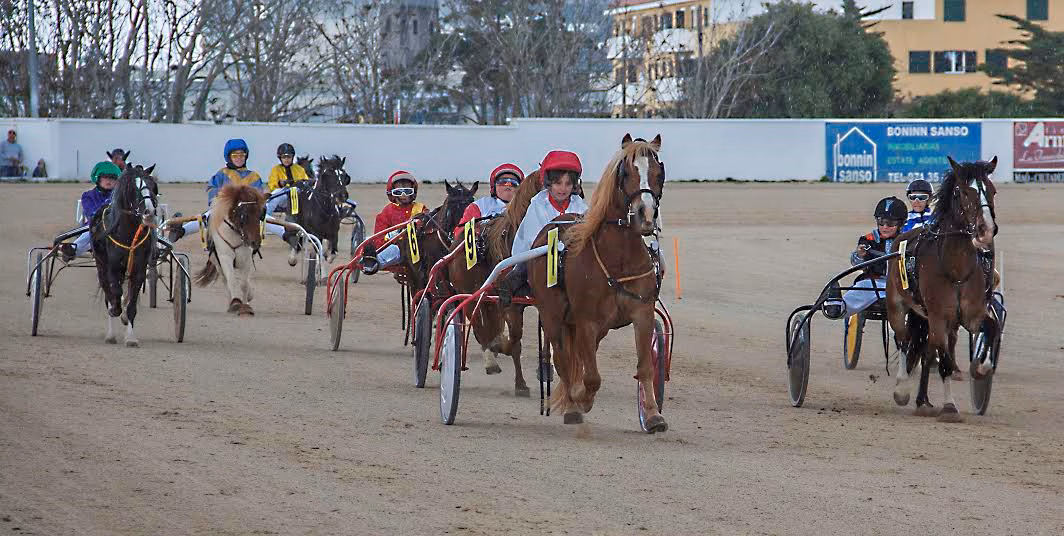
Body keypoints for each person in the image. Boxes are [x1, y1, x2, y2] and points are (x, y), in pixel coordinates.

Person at [499, 150, 589, 305]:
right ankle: (516, 279)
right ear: (549, 183)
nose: (563, 189)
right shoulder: (538, 204)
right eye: (558, 183)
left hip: (569, 257)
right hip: (537, 254)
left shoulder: (579, 205)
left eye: (568, 184)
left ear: (574, 185)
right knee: (526, 265)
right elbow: (534, 239)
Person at [166, 138, 283, 243]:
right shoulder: (222, 174)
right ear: (229, 157)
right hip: (226, 210)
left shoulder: (254, 176)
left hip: (248, 211)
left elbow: (259, 194)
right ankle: (181, 231)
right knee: (208, 216)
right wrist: (217, 201)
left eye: (242, 155)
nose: (239, 158)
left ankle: (286, 234)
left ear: (246, 156)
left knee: (265, 218)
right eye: (235, 156)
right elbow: (213, 190)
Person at [823, 196, 907, 320]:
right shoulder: (868, 240)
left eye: (890, 223)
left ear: (901, 223)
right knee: (860, 289)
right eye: (881, 222)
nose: (885, 227)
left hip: (901, 285)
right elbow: (856, 263)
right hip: (874, 284)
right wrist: (859, 256)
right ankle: (838, 307)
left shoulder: (907, 240)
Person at [360, 171, 427, 275]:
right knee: (394, 249)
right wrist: (392, 235)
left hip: (420, 249)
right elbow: (379, 239)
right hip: (398, 249)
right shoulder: (387, 212)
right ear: (392, 193)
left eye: (407, 191)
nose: (404, 195)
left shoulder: (421, 209)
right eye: (399, 192)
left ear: (413, 192)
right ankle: (373, 262)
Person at [59, 161, 121, 261]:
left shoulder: (119, 196)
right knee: (91, 231)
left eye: (112, 178)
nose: (109, 181)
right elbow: (91, 212)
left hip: (117, 226)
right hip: (95, 225)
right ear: (98, 178)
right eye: (105, 177)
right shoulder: (88, 196)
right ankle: (74, 249)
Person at [452, 163, 523, 239]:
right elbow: (459, 234)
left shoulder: (527, 208)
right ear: (494, 186)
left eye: (513, 183)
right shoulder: (479, 206)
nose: (508, 185)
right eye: (503, 182)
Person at [265, 142, 312, 215]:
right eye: (284, 157)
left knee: (294, 190)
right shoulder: (276, 169)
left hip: (298, 195)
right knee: (273, 196)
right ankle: (266, 216)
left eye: (289, 157)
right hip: (283, 195)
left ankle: (298, 217)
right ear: (280, 158)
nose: (286, 159)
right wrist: (280, 184)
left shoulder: (299, 169)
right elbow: (272, 185)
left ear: (292, 157)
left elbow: (306, 182)